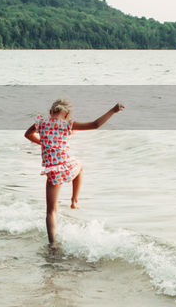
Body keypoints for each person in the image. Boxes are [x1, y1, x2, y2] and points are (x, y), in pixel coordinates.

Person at [24, 98, 124, 246]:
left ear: (50, 112)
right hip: (67, 167)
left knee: (51, 212)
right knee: (80, 165)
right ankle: (74, 201)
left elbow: (28, 135)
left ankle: (52, 244)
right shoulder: (68, 124)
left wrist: (43, 142)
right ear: (66, 115)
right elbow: (95, 124)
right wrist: (113, 111)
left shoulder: (40, 123)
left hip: (52, 171)